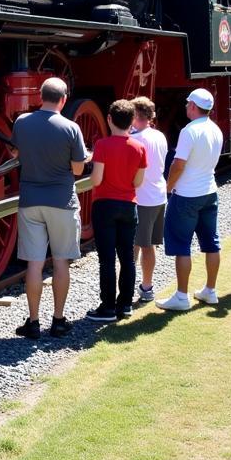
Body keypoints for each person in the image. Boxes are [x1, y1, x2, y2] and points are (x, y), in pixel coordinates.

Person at [9, 76, 90, 340]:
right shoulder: (71, 128)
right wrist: (84, 156)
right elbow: (78, 169)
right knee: (60, 262)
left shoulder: (21, 123)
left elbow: (17, 155)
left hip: (30, 200)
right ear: (64, 99)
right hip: (62, 201)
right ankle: (58, 320)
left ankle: (32, 322)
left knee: (34, 263)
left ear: (39, 97)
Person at [156, 88, 224, 311]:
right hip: (209, 191)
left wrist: (168, 186)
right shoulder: (215, 129)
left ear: (194, 106)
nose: (186, 107)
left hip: (187, 194)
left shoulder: (189, 131)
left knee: (182, 246)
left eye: (188, 104)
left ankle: (181, 296)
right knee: (211, 242)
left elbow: (178, 164)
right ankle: (210, 290)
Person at [86, 99, 147, 322]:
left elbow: (97, 179)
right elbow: (138, 182)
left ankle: (107, 307)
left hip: (104, 205)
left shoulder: (102, 145)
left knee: (107, 259)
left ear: (109, 119)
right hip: (129, 205)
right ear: (132, 121)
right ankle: (125, 305)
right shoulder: (139, 147)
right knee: (127, 257)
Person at [130, 96, 169, 303]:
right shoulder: (159, 136)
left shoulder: (136, 140)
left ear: (136, 115)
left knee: (137, 245)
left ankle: (136, 287)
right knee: (148, 245)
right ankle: (146, 285)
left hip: (142, 197)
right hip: (158, 195)